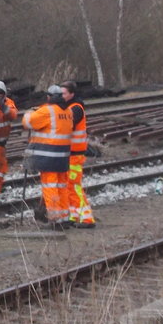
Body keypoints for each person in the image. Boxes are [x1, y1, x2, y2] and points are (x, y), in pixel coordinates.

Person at [22, 84, 74, 229]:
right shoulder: (68, 112)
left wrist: (28, 113)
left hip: (48, 157)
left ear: (49, 97)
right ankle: (64, 218)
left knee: (50, 186)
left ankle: (55, 219)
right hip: (63, 156)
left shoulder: (47, 111)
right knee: (62, 186)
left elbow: (28, 122)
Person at [60, 81, 96, 228]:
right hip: (71, 153)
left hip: (75, 154)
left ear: (71, 94)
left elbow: (66, 125)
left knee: (74, 186)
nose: (61, 96)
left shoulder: (75, 109)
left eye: (63, 94)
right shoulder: (71, 107)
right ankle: (76, 216)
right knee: (70, 186)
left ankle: (86, 218)